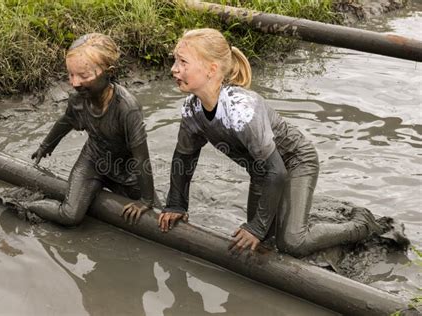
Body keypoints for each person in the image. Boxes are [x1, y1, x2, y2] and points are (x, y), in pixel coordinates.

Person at [158, 28, 383, 257]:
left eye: (183, 62)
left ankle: (362, 224)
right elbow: (184, 158)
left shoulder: (241, 109)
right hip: (263, 172)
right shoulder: (191, 108)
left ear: (211, 69)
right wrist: (176, 204)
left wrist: (256, 227)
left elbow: (277, 171)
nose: (174, 68)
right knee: (262, 243)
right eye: (175, 60)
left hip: (295, 162)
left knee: (292, 243)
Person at [27, 33, 157, 226]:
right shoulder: (78, 101)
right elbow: (65, 122)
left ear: (109, 72)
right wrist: (45, 146)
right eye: (70, 75)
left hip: (127, 173)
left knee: (156, 215)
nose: (74, 83)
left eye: (83, 76)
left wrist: (146, 201)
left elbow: (141, 157)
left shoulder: (127, 108)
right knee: (69, 216)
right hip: (93, 162)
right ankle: (26, 205)